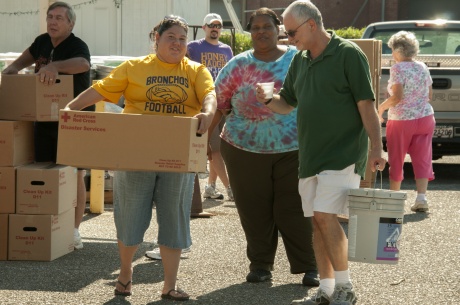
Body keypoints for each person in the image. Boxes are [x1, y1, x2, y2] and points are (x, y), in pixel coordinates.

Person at [65, 15, 216, 301]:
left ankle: (169, 285)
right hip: (135, 153)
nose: (177, 43)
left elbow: (209, 94)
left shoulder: (196, 70)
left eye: (182, 39)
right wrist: (71, 108)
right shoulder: (134, 67)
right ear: (156, 38)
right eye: (171, 37)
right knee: (130, 217)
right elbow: (101, 89)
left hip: (178, 156)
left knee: (174, 219)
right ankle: (125, 274)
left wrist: (207, 113)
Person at [254, 1, 386, 304]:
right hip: (310, 157)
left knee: (326, 217)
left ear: (311, 24)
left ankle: (346, 288)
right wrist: (267, 98)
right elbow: (287, 103)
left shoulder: (348, 54)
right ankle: (326, 290)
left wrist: (378, 148)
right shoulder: (299, 60)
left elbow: (367, 105)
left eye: (290, 32)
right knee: (317, 220)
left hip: (343, 154)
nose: (287, 38)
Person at [210, 7, 319, 287]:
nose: (261, 32)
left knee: (294, 208)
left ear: (278, 29)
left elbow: (316, 94)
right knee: (253, 209)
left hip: (293, 148)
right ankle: (260, 266)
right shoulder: (237, 64)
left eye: (267, 26)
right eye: (255, 27)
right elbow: (219, 104)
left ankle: (309, 266)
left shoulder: (298, 59)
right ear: (250, 32)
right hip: (243, 148)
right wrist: (209, 139)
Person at [2, 1, 92, 250]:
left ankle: (74, 230)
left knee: (74, 174)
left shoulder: (77, 45)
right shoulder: (42, 41)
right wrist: (10, 71)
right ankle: (46, 225)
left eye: (59, 18)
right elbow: (22, 61)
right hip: (43, 120)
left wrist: (55, 66)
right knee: (44, 171)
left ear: (70, 23)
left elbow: (83, 65)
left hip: (73, 120)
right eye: (50, 17)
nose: (53, 22)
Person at [378, 31, 435, 212]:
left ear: (397, 50)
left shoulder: (397, 68)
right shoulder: (422, 66)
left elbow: (397, 97)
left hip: (402, 120)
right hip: (425, 118)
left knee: (397, 158)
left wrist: (381, 108)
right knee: (423, 157)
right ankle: (421, 198)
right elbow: (430, 95)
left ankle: (394, 201)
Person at [188, 13, 234, 202]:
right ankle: (231, 189)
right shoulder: (193, 47)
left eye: (218, 25)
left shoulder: (227, 49)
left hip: (224, 104)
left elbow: (231, 75)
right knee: (214, 147)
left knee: (220, 148)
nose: (215, 28)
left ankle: (211, 186)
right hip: (205, 104)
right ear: (204, 27)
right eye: (211, 25)